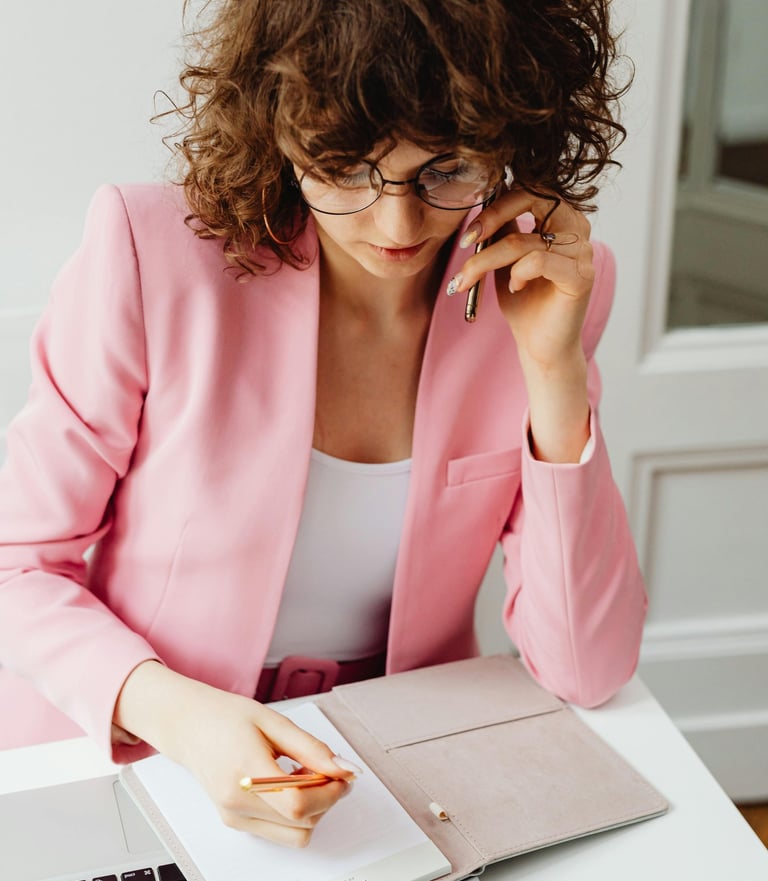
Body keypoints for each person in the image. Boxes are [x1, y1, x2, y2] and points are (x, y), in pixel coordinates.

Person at [0, 0, 646, 849]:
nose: (398, 225)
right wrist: (184, 717)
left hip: (397, 782)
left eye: (446, 169)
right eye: (347, 167)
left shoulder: (541, 290)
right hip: (135, 750)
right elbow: (16, 564)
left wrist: (555, 374)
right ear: (280, 122)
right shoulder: (153, 253)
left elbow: (586, 668)